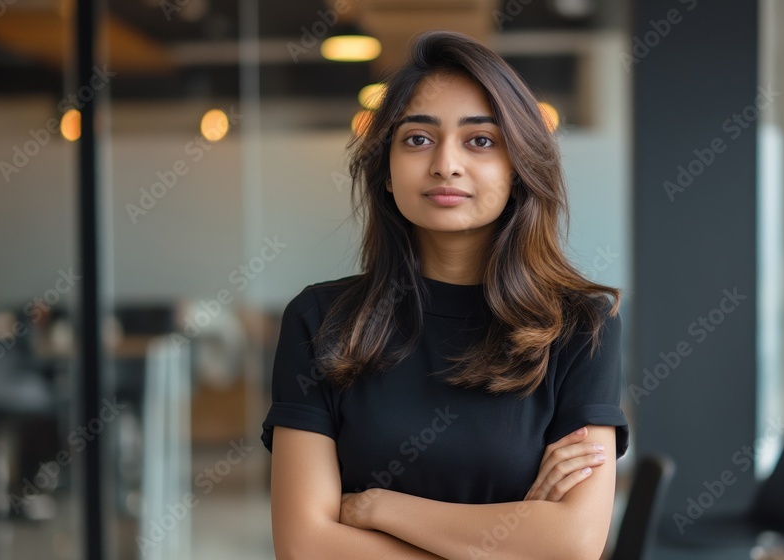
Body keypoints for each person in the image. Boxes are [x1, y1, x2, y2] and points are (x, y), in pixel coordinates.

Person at [261, 29, 629, 560]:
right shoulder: (321, 321)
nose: (445, 164)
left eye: (480, 140)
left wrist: (377, 509)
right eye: (417, 138)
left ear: (518, 167)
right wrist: (507, 539)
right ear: (386, 171)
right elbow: (304, 546)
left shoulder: (579, 327)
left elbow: (573, 543)